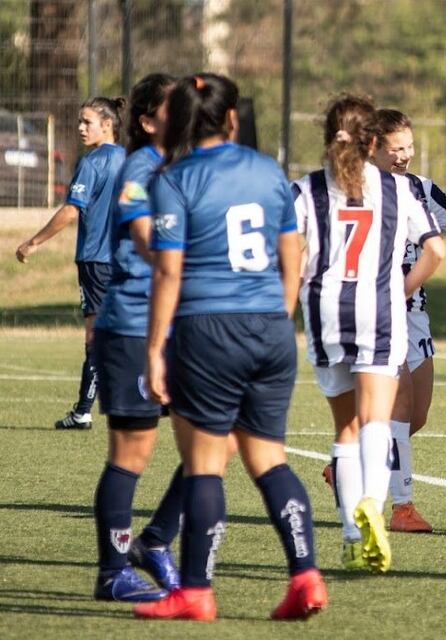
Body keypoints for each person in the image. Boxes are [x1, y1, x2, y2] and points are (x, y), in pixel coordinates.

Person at [135, 73, 326, 621]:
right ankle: (305, 576)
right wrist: (276, 316)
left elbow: (169, 272)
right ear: (233, 119)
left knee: (203, 466)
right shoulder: (268, 171)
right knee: (270, 458)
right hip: (270, 327)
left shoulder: (173, 179)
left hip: (207, 328)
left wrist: (154, 350)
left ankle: (194, 590)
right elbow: (295, 258)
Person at [293, 96, 445, 572]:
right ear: (374, 141)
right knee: (377, 422)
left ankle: (351, 534)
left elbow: (289, 255)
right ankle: (374, 509)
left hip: (325, 314)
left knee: (346, 429)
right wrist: (400, 291)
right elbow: (436, 250)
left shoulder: (305, 189)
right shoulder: (398, 190)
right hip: (377, 311)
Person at [90, 73, 185, 603]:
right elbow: (150, 242)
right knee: (132, 453)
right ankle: (111, 571)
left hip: (185, 328)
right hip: (133, 325)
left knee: (215, 438)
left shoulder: (190, 168)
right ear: (148, 121)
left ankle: (154, 542)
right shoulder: (139, 169)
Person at [368, 108, 446, 533]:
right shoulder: (359, 190)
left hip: (415, 314)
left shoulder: (422, 189)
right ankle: (402, 507)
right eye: (396, 149)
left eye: (409, 147)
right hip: (379, 312)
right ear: (373, 148)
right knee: (401, 406)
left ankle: (349, 464)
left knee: (418, 418)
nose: (405, 155)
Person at [16, 96, 127, 429]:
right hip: (125, 259)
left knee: (95, 336)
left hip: (96, 260)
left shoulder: (93, 163)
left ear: (107, 124)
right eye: (79, 121)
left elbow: (70, 210)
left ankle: (82, 412)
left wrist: (33, 242)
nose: (80, 127)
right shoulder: (132, 161)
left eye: (87, 121)